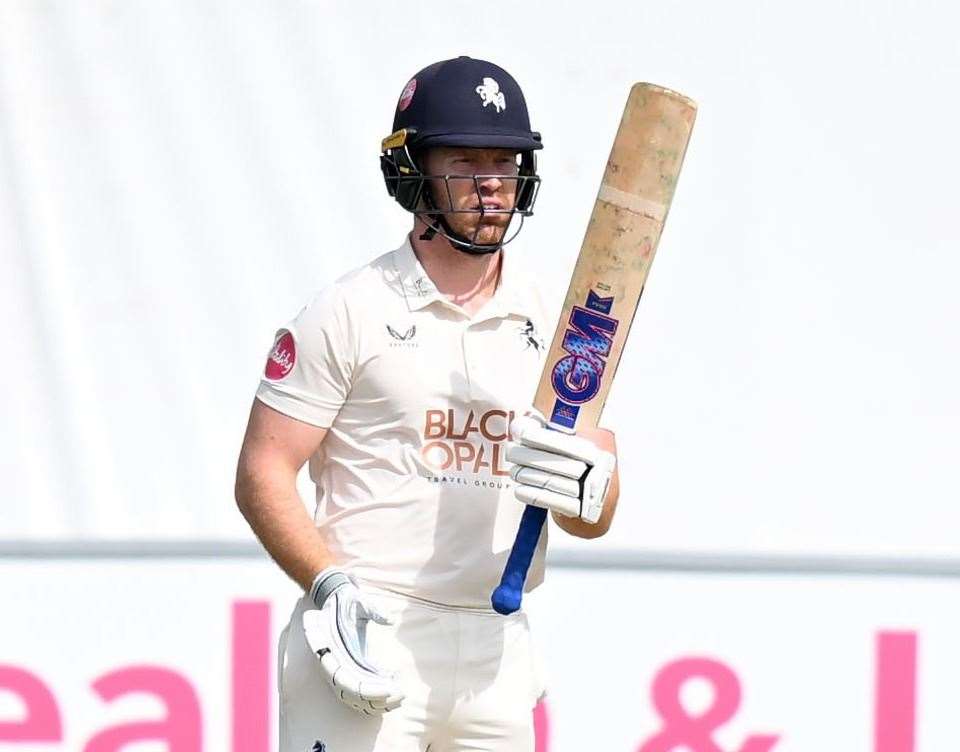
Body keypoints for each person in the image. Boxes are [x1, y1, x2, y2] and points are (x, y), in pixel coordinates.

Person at [235, 55, 620, 752]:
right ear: (412, 171)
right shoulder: (348, 311)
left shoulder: (560, 320)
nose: (490, 185)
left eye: (504, 164)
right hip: (372, 626)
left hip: (496, 641)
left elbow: (592, 513)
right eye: (465, 162)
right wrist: (330, 587)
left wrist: (592, 485)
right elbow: (262, 470)